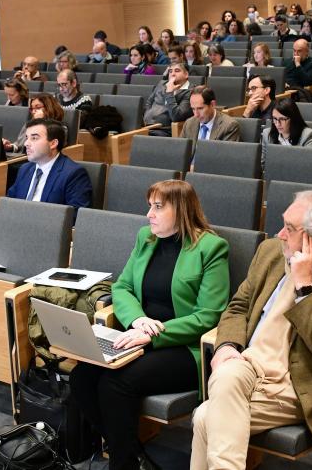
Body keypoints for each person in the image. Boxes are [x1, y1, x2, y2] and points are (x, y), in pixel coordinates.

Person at [190, 188, 312, 470]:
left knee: (205, 417)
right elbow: (239, 305)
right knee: (226, 373)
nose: (280, 234)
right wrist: (227, 345)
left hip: (293, 383)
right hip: (248, 364)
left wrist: (305, 289)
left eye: (289, 228)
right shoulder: (271, 252)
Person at [72, 179, 230, 470]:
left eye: (158, 207)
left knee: (114, 383)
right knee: (81, 376)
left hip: (185, 347)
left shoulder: (211, 248)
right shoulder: (146, 238)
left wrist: (154, 334)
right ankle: (134, 454)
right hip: (137, 334)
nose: (150, 214)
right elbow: (122, 288)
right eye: (150, 206)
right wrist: (138, 320)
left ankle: (124, 464)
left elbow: (209, 316)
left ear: (181, 210)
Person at [6, 118, 92, 210]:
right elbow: (9, 203)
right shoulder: (25, 169)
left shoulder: (73, 174)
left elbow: (76, 215)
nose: (26, 143)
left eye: (34, 138)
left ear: (53, 144)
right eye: (27, 138)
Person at [259, 97, 312, 168]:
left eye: (282, 119)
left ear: (293, 118)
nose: (277, 124)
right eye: (275, 119)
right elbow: (263, 165)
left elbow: (307, 166)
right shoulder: (267, 134)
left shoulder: (307, 135)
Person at [144, 62, 194, 136]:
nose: (172, 74)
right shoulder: (162, 84)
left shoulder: (190, 92)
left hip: (164, 130)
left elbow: (177, 117)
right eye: (170, 71)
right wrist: (148, 114)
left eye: (177, 71)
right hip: (146, 126)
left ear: (186, 74)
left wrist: (169, 93)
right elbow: (149, 102)